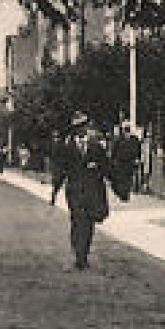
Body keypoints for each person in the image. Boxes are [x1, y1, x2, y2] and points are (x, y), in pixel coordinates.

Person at [49, 111, 111, 270]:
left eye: (84, 125)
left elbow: (107, 166)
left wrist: (98, 168)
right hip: (74, 190)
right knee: (77, 220)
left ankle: (84, 254)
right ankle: (79, 253)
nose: (82, 129)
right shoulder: (66, 147)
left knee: (89, 222)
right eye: (79, 126)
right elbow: (60, 170)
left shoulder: (95, 146)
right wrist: (54, 191)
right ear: (74, 129)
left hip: (92, 190)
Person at [108, 119, 143, 200]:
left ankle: (126, 193)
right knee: (121, 178)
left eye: (128, 129)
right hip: (120, 162)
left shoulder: (134, 139)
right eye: (125, 129)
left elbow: (138, 149)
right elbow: (114, 150)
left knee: (128, 178)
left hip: (130, 161)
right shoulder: (119, 140)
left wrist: (138, 158)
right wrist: (113, 160)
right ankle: (122, 193)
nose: (126, 131)